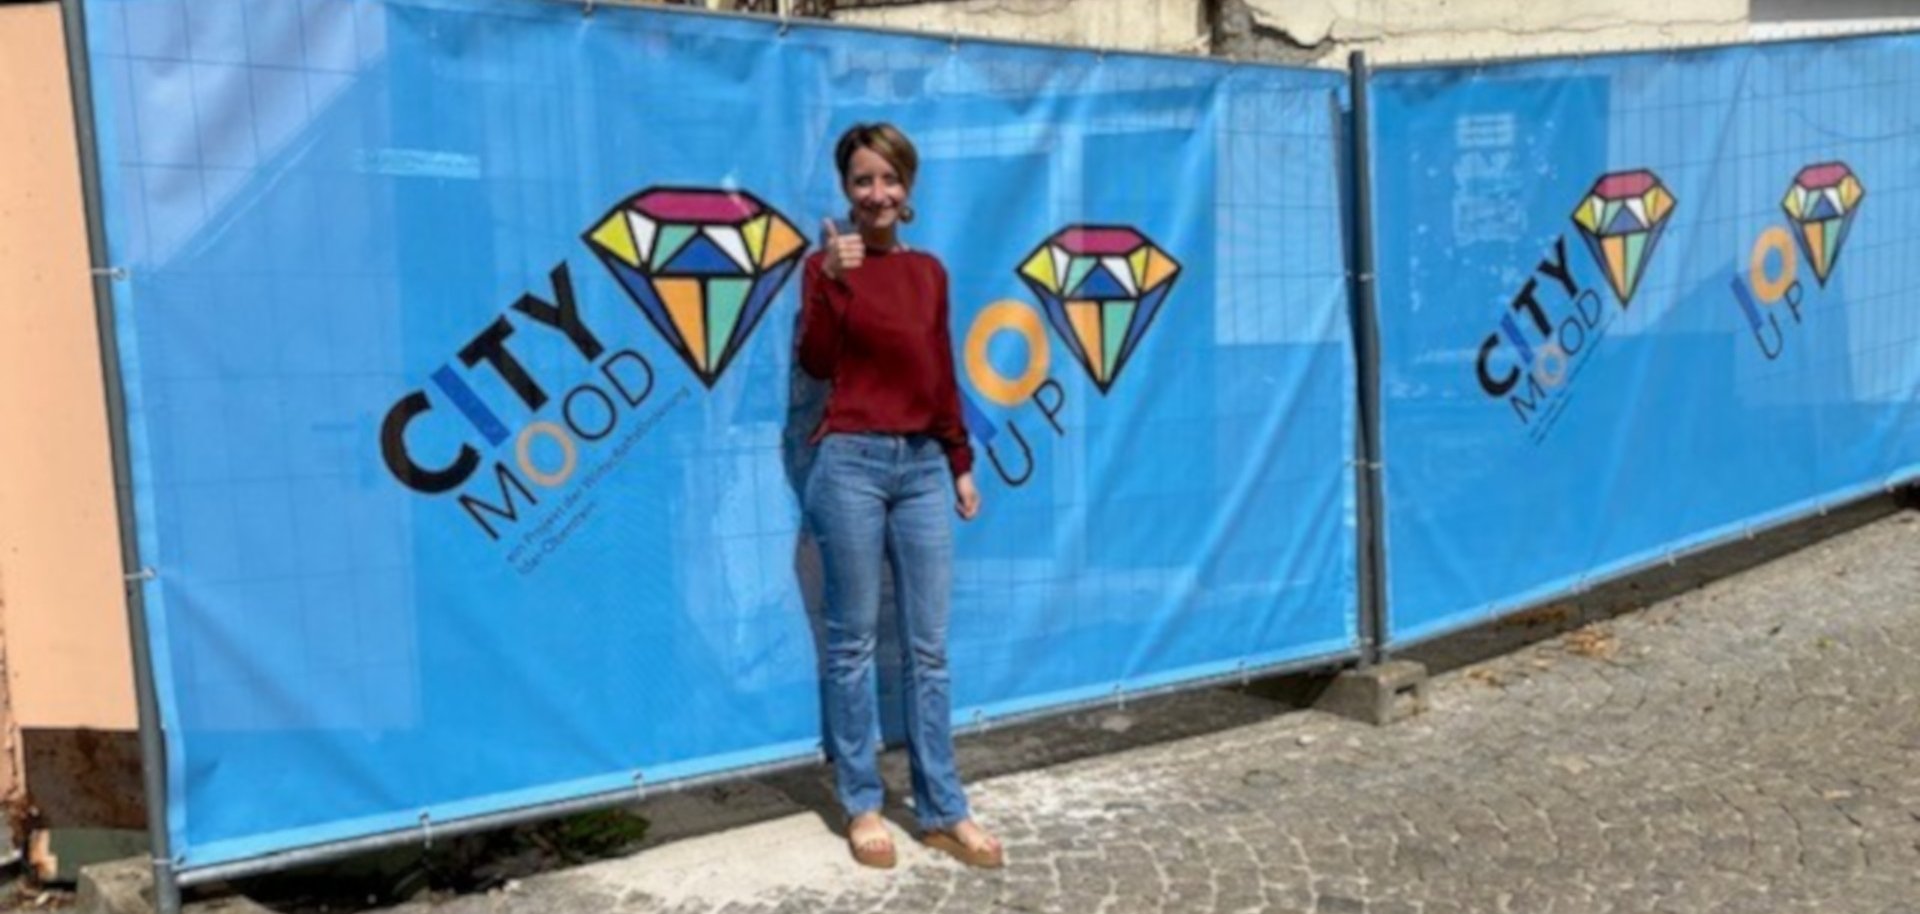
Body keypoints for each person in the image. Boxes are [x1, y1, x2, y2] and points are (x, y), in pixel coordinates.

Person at [796, 122, 1004, 871]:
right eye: (862, 180)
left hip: (921, 467)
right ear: (846, 190)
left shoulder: (930, 273)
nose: (876, 193)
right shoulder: (828, 267)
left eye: (889, 179)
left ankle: (944, 807)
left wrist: (960, 461)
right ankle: (862, 802)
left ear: (906, 188)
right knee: (851, 642)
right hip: (848, 463)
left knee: (929, 649)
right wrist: (826, 277)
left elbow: (939, 372)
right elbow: (817, 361)